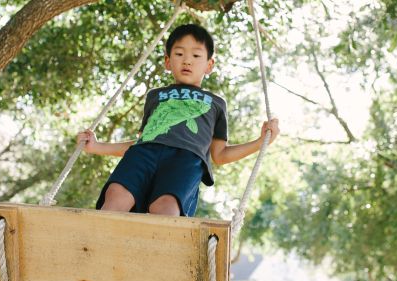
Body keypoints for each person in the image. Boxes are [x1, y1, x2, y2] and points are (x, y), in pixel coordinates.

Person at [77, 24, 279, 217]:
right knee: (115, 198)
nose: (187, 61)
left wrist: (261, 142)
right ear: (167, 61)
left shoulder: (216, 103)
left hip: (186, 160)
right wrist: (97, 147)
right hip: (143, 154)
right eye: (179, 54)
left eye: (196, 55)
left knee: (166, 208)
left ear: (209, 65)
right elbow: (144, 139)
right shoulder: (155, 96)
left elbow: (219, 154)